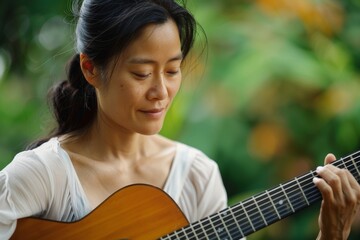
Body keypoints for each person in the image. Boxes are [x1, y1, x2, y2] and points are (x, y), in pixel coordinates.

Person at [0, 0, 359, 239]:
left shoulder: (196, 176)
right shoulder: (41, 177)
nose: (161, 91)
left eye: (172, 70)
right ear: (91, 69)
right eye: (141, 74)